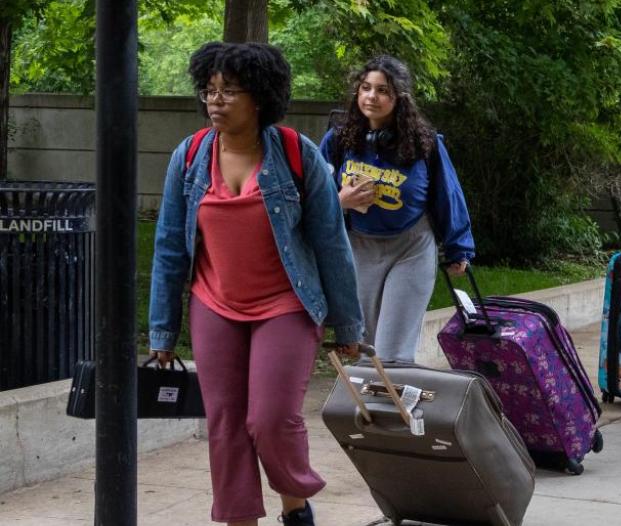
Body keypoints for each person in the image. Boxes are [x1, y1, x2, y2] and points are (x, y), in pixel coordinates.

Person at [148, 42, 364, 526]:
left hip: (284, 304)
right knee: (224, 424)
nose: (215, 101)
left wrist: (348, 324)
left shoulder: (295, 154)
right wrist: (162, 332)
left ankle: (294, 499)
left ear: (261, 98)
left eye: (230, 91)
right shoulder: (189, 156)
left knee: (269, 421)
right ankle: (240, 518)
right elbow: (169, 247)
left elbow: (331, 243)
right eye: (210, 90)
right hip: (214, 303)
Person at [320, 55, 476, 364]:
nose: (371, 97)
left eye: (382, 90)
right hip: (358, 249)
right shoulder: (338, 140)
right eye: (366, 88)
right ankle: (373, 411)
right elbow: (312, 200)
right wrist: (340, 201)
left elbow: (448, 194)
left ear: (399, 97)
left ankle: (395, 407)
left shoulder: (424, 143)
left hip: (411, 249)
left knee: (392, 351)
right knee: (364, 346)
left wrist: (459, 249)